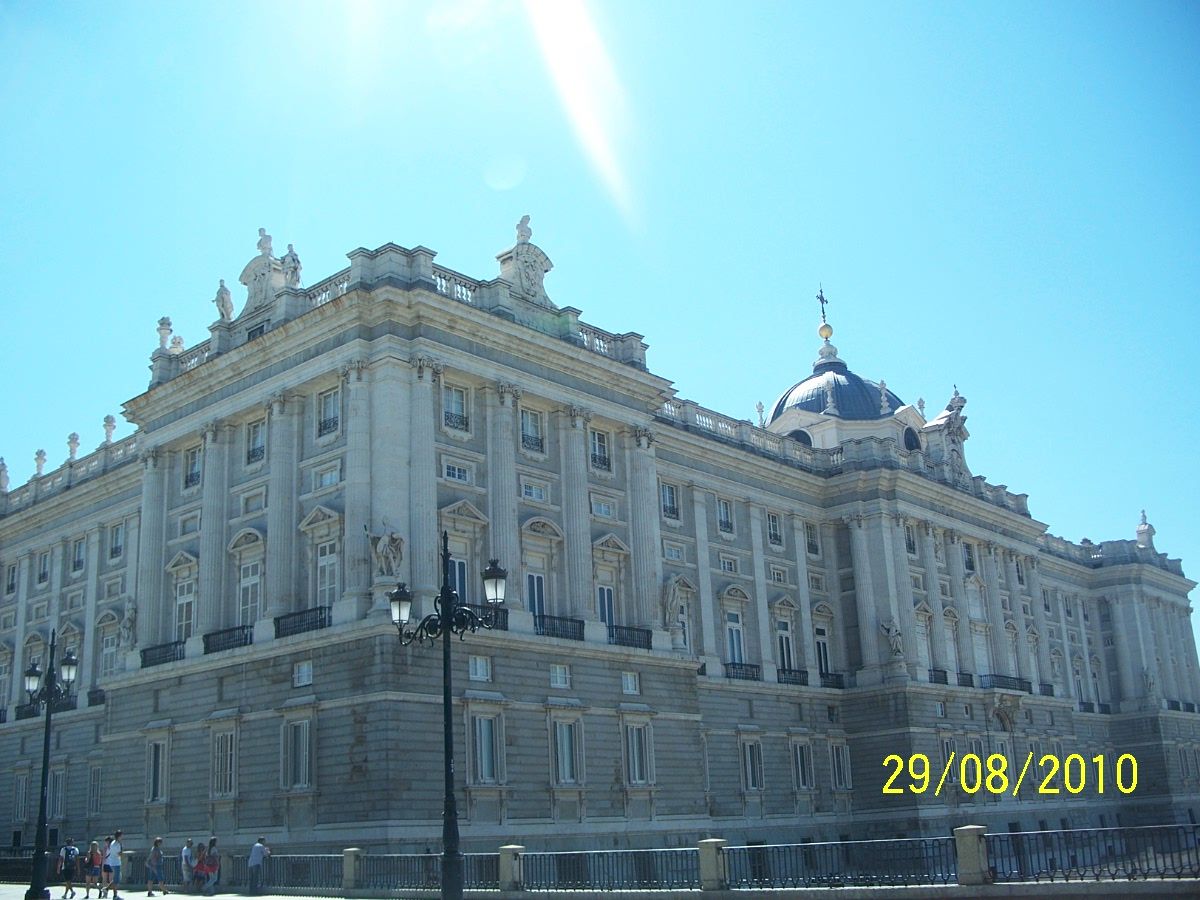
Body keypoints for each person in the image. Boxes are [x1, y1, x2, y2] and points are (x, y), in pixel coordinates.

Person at [103, 829, 123, 900]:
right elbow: (119, 854)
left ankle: (108, 890)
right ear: (119, 836)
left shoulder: (113, 843)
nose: (122, 837)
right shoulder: (117, 844)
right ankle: (114, 894)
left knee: (116, 879)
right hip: (116, 863)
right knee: (116, 880)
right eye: (121, 836)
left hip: (112, 862)